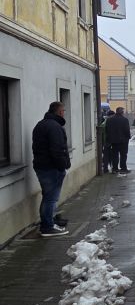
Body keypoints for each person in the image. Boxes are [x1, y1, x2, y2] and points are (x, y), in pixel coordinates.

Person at [32, 101, 71, 236]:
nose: (64, 113)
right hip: (51, 167)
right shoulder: (54, 127)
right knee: (50, 198)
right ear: (60, 112)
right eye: (63, 111)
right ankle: (47, 227)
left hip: (41, 165)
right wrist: (62, 166)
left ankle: (49, 221)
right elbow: (57, 150)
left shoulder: (41, 124)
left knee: (48, 196)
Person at [106, 107, 132, 173]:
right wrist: (128, 137)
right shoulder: (125, 120)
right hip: (123, 141)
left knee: (115, 155)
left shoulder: (109, 120)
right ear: (122, 112)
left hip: (113, 141)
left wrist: (109, 139)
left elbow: (107, 130)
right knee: (123, 155)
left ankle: (115, 168)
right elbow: (127, 130)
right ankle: (123, 168)